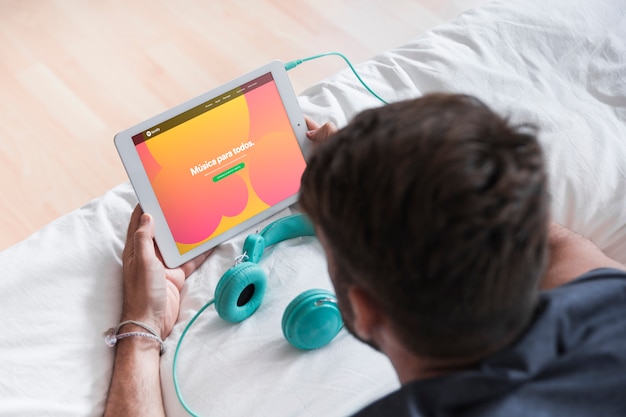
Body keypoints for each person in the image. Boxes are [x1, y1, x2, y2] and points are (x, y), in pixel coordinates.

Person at [104, 93, 626, 416]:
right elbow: (558, 244)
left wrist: (140, 326)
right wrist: (385, 169)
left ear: (367, 310)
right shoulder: (609, 308)